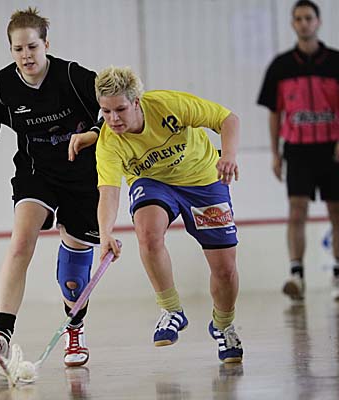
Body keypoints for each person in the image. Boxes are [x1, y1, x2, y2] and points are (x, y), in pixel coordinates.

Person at [0, 7, 102, 368]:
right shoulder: (2, 86)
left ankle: (74, 328)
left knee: (72, 276)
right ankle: (1, 335)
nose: (26, 56)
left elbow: (110, 108)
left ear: (46, 44)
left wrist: (94, 132)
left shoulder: (72, 76)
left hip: (83, 177)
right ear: (10, 50)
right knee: (21, 241)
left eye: (32, 47)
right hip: (36, 173)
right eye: (18, 49)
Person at [94, 66, 244, 363]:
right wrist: (105, 233)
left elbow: (228, 119)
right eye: (106, 111)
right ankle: (171, 309)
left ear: (136, 102)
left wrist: (228, 156)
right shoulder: (109, 142)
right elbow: (108, 191)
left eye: (120, 109)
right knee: (148, 233)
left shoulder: (168, 105)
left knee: (225, 269)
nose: (113, 119)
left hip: (203, 180)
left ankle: (223, 325)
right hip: (153, 183)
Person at [257, 0, 339, 301]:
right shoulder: (281, 66)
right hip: (297, 150)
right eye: (298, 19)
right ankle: (297, 275)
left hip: (332, 149)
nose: (304, 23)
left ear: (318, 22)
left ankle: (337, 275)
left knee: (336, 211)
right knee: (296, 211)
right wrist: (275, 153)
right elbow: (275, 112)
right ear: (293, 24)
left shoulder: (335, 62)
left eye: (308, 18)